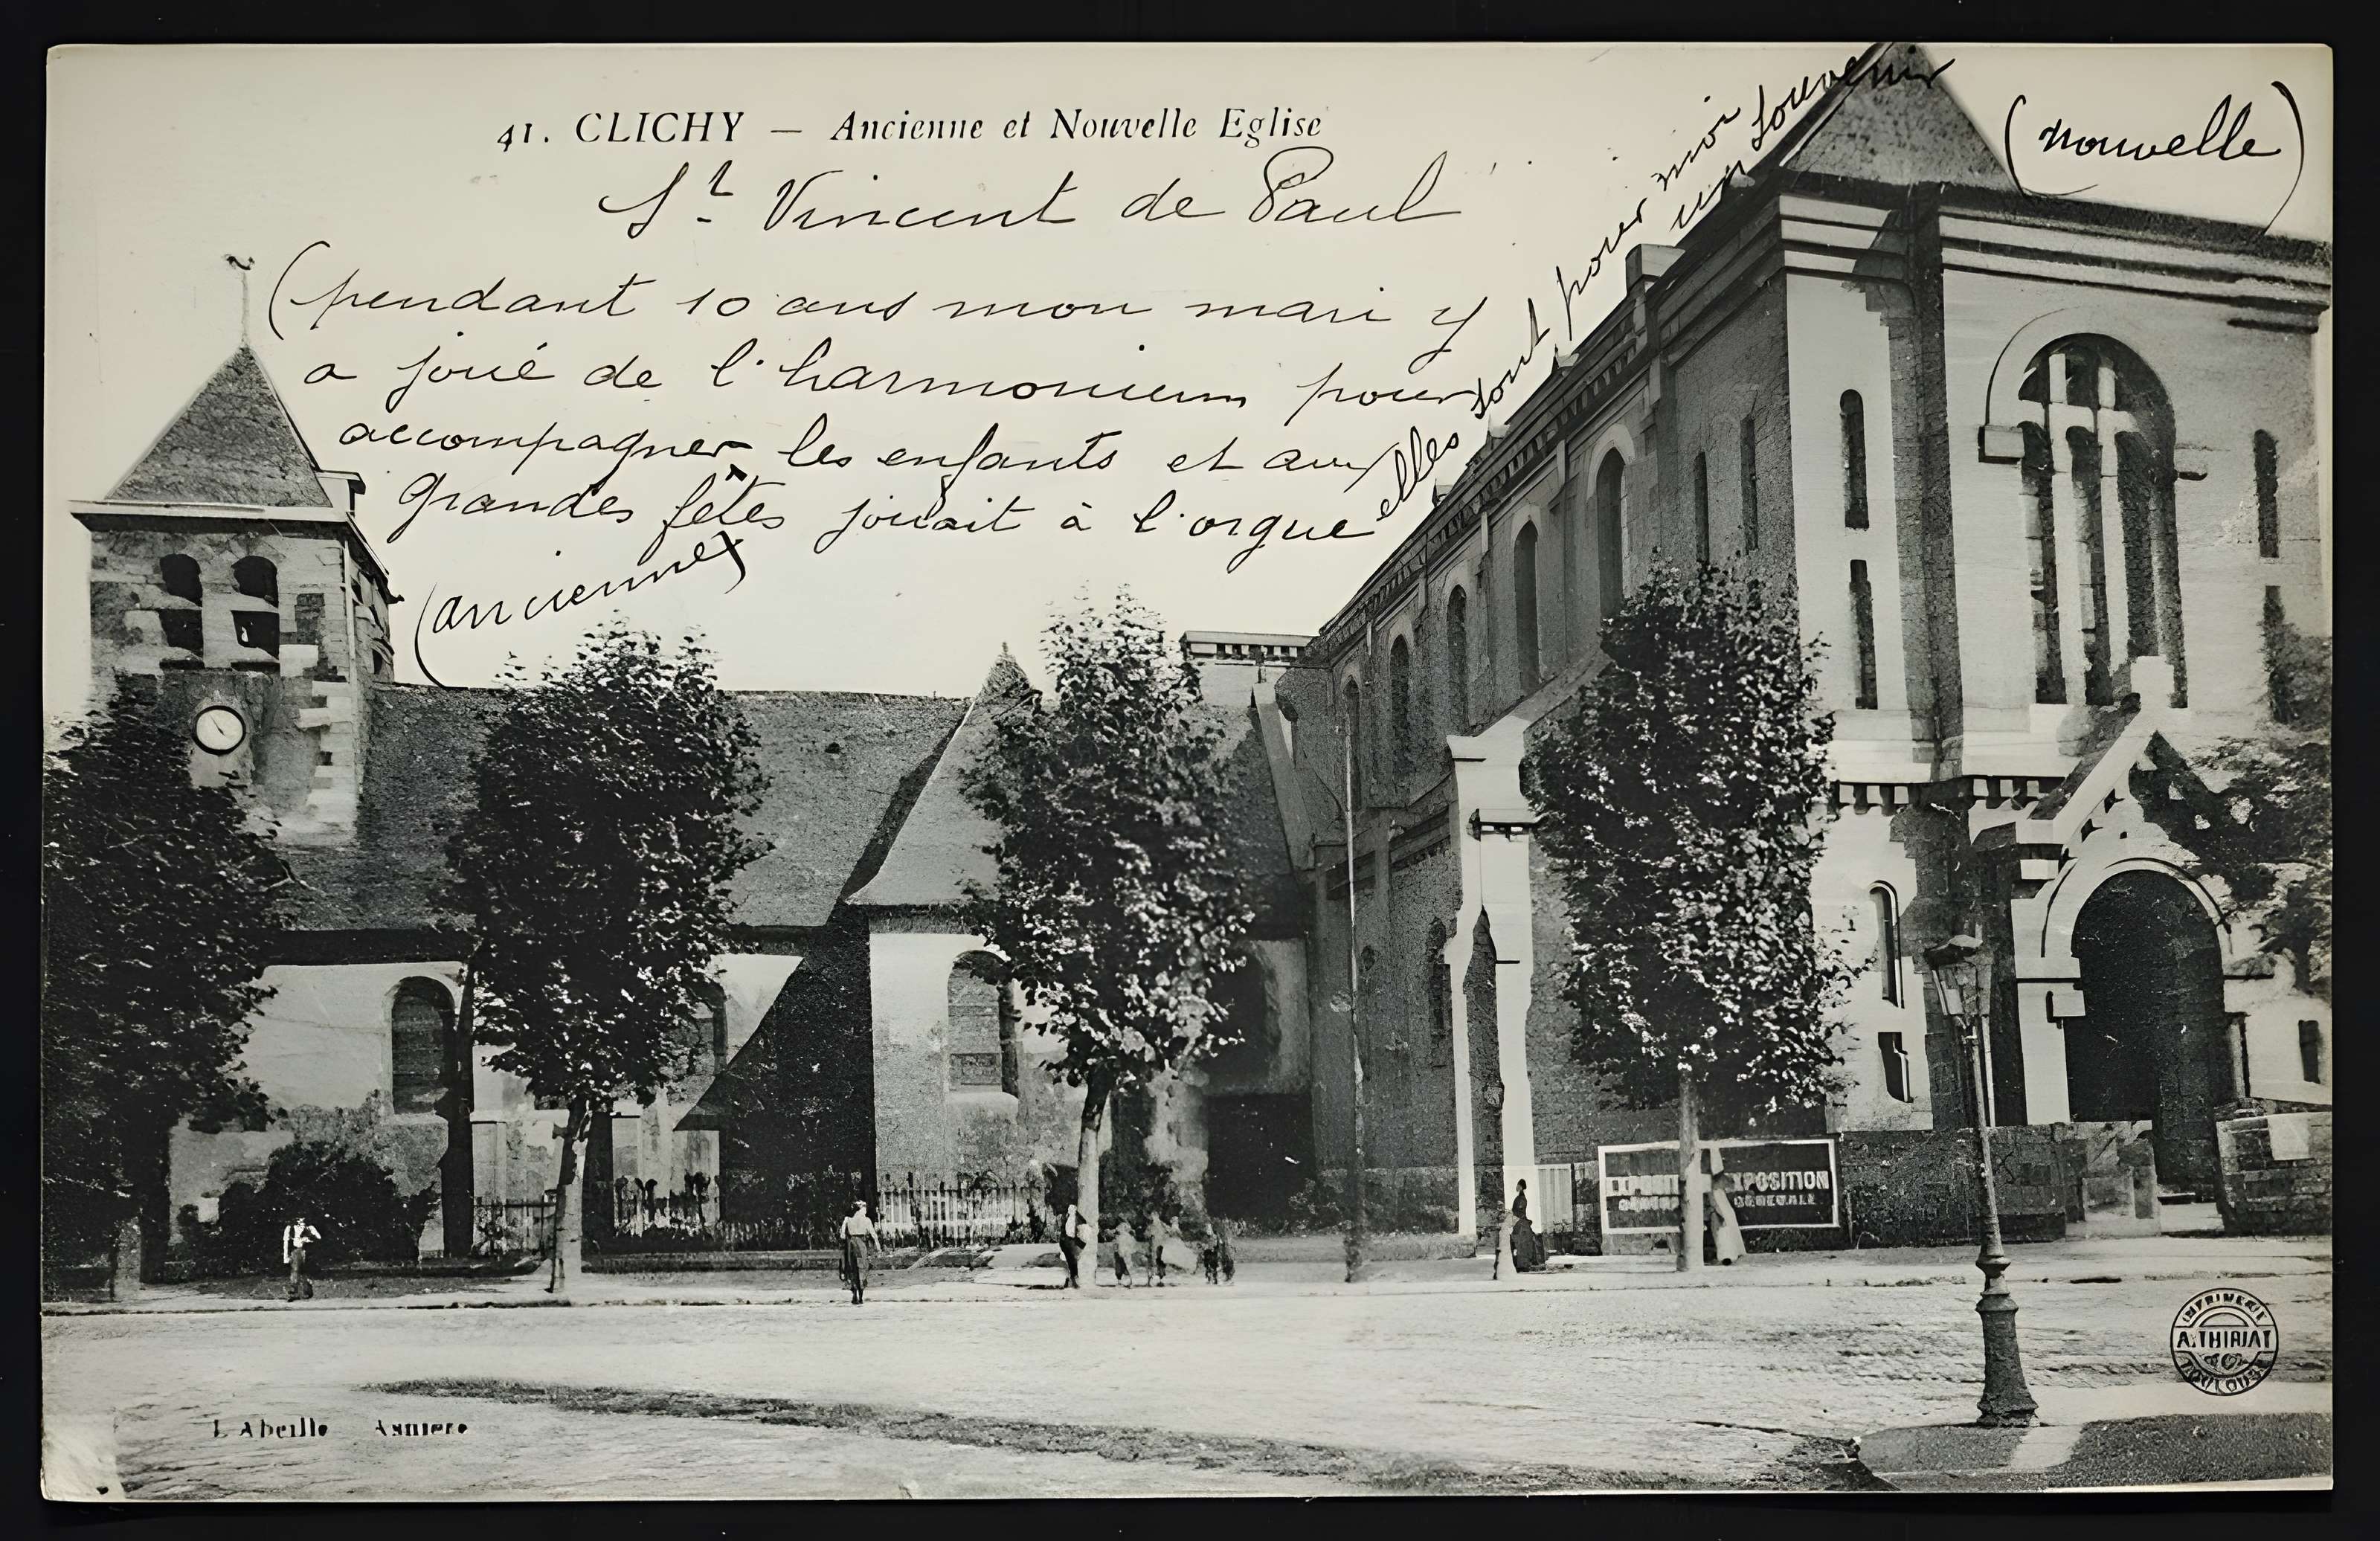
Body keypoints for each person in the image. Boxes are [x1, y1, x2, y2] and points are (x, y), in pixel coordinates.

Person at [1705, 1148, 1747, 1267]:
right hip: (1712, 1190)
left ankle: (1728, 1253)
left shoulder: (1712, 1153)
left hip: (1715, 1190)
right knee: (1721, 1220)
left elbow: (1717, 1172)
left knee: (1724, 1219)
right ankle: (1725, 1253)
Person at [839, 1200, 878, 1304]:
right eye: (864, 1208)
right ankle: (860, 1296)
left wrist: (845, 1234)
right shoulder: (866, 1220)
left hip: (850, 1244)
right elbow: (874, 1235)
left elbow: (842, 1234)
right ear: (861, 1209)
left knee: (849, 1267)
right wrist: (878, 1247)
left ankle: (854, 1293)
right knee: (863, 1267)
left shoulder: (848, 1219)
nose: (865, 1210)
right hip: (860, 1244)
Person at [281, 1213, 320, 1302]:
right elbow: (286, 1243)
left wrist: (309, 1238)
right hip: (296, 1251)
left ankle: (307, 1291)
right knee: (295, 1271)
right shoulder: (290, 1228)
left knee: (306, 1271)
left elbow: (319, 1238)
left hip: (307, 1251)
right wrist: (285, 1257)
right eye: (298, 1218)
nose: (300, 1220)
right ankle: (293, 1292)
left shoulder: (309, 1228)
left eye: (302, 1218)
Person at [1510, 1180, 1544, 1273]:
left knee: (1522, 1244)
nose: (1516, 1187)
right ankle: (1522, 1264)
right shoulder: (1520, 1198)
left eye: (1518, 1185)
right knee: (1521, 1244)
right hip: (1520, 1222)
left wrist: (1514, 1216)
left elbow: (1519, 1211)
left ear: (1520, 1187)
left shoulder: (1521, 1199)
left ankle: (1523, 1264)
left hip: (1520, 1223)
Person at [1056, 1198, 1088, 1288]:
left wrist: (1078, 1235)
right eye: (1069, 1209)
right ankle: (1069, 1280)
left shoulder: (1078, 1219)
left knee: (1073, 1261)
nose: (1070, 1210)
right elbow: (1063, 1230)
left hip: (1074, 1241)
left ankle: (1073, 1280)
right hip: (1066, 1241)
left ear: (1075, 1209)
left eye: (1072, 1209)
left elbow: (1083, 1228)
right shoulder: (1065, 1218)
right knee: (1068, 1262)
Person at [1101, 1219, 1136, 1287]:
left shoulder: (1123, 1230)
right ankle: (1123, 1281)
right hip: (1120, 1251)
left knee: (1122, 1265)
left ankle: (1126, 1280)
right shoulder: (1122, 1231)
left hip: (1123, 1251)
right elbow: (1113, 1234)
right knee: (1121, 1265)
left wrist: (1109, 1232)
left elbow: (1115, 1233)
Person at [1148, 1210, 1176, 1287]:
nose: (1154, 1218)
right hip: (1155, 1245)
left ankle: (1160, 1279)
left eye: (1155, 1216)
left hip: (1161, 1245)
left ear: (1158, 1216)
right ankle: (1156, 1278)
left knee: (1160, 1261)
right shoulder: (1151, 1226)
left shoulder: (1162, 1224)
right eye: (1153, 1216)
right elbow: (1149, 1234)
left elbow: (1169, 1230)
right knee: (1156, 1261)